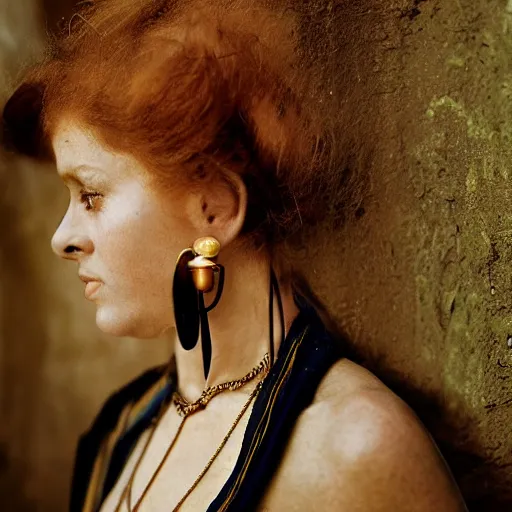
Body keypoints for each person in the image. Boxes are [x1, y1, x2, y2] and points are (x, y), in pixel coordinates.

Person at [2, 1, 468, 510]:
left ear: (215, 208)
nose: (62, 238)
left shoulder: (352, 447)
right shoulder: (120, 432)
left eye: (91, 195)